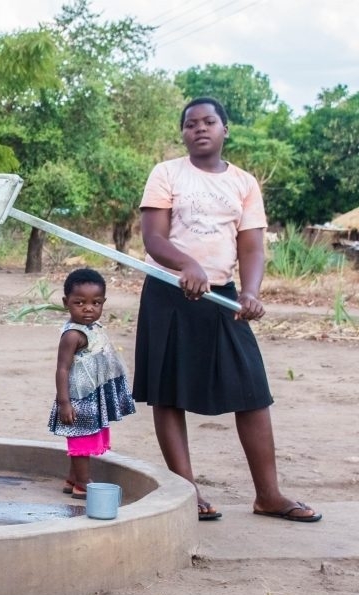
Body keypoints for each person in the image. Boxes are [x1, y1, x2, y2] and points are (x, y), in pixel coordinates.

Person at [134, 96, 321, 522]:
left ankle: (268, 495)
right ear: (183, 133)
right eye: (190, 124)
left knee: (252, 390)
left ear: (225, 129)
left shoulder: (244, 183)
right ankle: (187, 492)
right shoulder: (166, 174)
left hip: (223, 297)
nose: (199, 129)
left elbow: (251, 245)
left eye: (208, 121)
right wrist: (187, 264)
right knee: (168, 393)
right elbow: (154, 238)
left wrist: (250, 292)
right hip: (169, 294)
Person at [48, 268, 136, 499]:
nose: (88, 308)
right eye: (80, 303)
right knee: (81, 436)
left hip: (94, 393)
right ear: (66, 302)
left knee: (87, 433)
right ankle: (83, 483)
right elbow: (62, 368)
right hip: (79, 397)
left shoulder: (94, 327)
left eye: (96, 303)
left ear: (103, 303)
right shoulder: (72, 335)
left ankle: (73, 478)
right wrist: (64, 402)